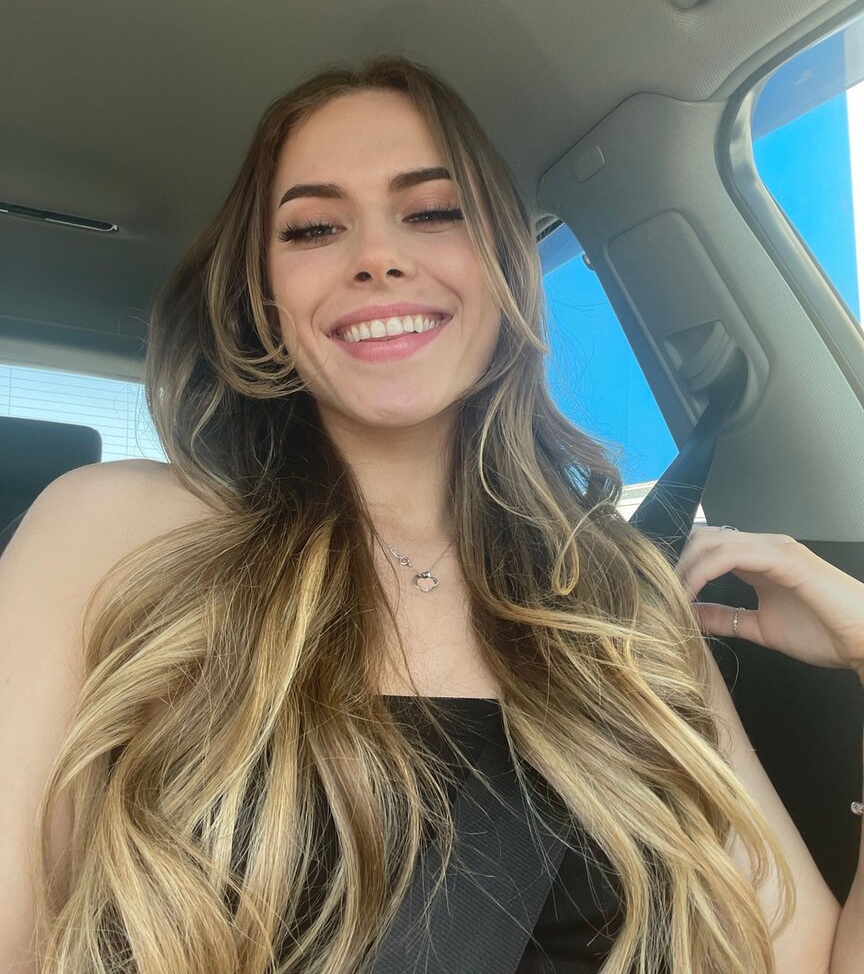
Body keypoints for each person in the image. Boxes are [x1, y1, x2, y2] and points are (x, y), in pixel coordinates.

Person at [2, 55, 862, 974]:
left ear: (502, 268)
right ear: (264, 298)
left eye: (434, 211)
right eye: (315, 227)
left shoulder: (621, 600)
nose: (377, 256)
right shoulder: (111, 531)